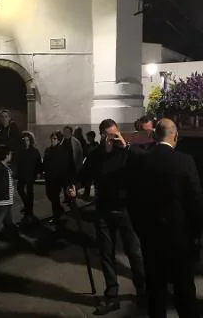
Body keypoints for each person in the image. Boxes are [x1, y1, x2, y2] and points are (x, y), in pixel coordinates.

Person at [126, 118, 203, 318]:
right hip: (179, 238)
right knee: (184, 292)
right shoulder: (184, 161)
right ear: (175, 136)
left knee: (156, 292)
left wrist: (141, 230)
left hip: (150, 238)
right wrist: (195, 235)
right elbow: (195, 201)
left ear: (154, 136)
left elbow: (132, 199)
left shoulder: (140, 162)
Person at [69, 119, 146, 315]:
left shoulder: (126, 153)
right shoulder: (96, 155)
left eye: (116, 133)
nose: (114, 137)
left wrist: (126, 146)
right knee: (106, 254)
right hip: (103, 210)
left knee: (134, 253)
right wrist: (74, 186)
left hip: (126, 210)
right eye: (111, 135)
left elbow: (142, 163)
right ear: (103, 135)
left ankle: (143, 293)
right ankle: (112, 296)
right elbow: (83, 175)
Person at [42, 131, 73, 224]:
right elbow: (45, 162)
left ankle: (56, 216)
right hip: (49, 177)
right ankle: (59, 210)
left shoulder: (63, 150)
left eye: (54, 138)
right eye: (51, 138)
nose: (52, 140)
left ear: (58, 140)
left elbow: (65, 165)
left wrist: (64, 178)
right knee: (49, 195)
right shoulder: (48, 150)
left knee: (55, 197)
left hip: (58, 178)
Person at [16, 131, 42, 222]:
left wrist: (38, 172)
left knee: (30, 192)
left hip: (31, 174)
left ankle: (29, 211)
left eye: (27, 140)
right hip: (22, 174)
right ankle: (27, 205)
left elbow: (39, 163)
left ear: (30, 141)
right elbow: (17, 162)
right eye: (24, 140)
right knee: (20, 189)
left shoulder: (34, 151)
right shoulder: (20, 150)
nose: (26, 142)